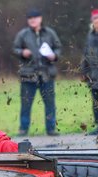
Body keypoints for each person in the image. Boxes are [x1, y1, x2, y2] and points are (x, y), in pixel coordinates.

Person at [12, 9, 62, 137]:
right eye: (30, 18)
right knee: (26, 104)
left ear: (40, 19)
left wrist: (54, 55)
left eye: (35, 18)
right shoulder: (22, 34)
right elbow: (15, 49)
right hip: (28, 75)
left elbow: (58, 48)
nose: (32, 20)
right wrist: (22, 52)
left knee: (50, 103)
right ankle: (23, 129)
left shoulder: (50, 33)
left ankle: (51, 129)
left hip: (47, 74)